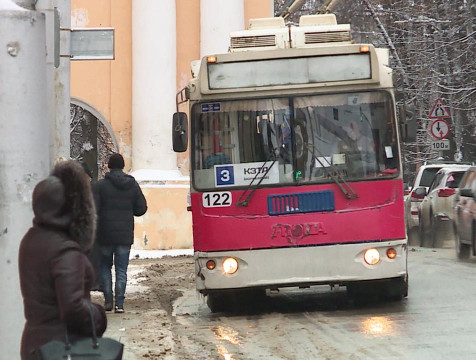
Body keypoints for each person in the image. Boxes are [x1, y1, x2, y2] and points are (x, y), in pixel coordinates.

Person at [19, 160, 107, 360]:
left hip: (35, 344)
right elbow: (72, 306)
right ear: (72, 207)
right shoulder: (65, 250)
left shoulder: (31, 239)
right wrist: (98, 315)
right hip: (63, 348)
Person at [94, 153, 147, 313]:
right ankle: (120, 303)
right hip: (124, 234)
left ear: (109, 166)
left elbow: (94, 209)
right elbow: (141, 208)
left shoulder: (100, 186)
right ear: (123, 166)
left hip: (105, 234)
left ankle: (108, 300)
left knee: (105, 266)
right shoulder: (132, 185)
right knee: (121, 269)